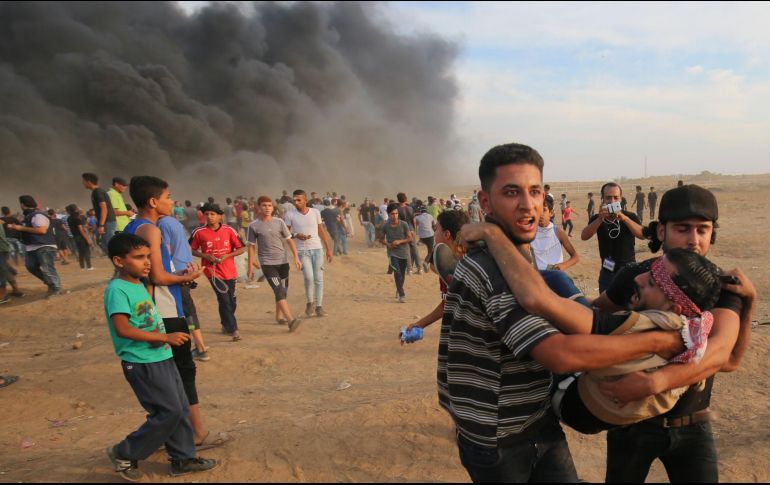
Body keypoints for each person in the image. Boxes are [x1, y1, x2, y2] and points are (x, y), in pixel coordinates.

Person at [441, 143, 684, 483]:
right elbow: (560, 355)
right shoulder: (492, 267)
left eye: (535, 191)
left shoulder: (514, 258)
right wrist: (662, 340)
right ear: (485, 202)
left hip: (534, 417)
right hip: (498, 433)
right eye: (512, 192)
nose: (527, 205)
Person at [592, 184, 755, 483]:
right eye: (682, 228)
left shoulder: (721, 286)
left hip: (692, 424)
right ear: (662, 231)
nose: (694, 240)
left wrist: (654, 381)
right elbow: (592, 314)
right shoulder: (635, 276)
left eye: (703, 230)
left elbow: (725, 358)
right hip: (631, 422)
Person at [123, 176, 228, 452]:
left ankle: (179, 433)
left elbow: (149, 273)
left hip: (154, 308)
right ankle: (195, 433)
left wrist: (177, 274)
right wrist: (185, 277)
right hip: (166, 308)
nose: (172, 202)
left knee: (171, 374)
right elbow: (156, 276)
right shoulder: (151, 230)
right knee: (184, 371)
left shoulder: (134, 226)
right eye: (168, 197)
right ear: (154, 201)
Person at [103, 233, 218, 480]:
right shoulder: (117, 289)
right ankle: (124, 452)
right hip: (142, 362)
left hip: (162, 357)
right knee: (168, 412)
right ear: (118, 261)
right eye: (139, 258)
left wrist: (186, 278)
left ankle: (183, 458)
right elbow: (122, 328)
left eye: (148, 257)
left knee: (180, 407)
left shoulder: (140, 284)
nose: (146, 262)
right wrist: (164, 338)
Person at [403, 209, 467, 335]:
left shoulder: (468, 265)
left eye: (436, 229)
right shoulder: (445, 264)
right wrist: (420, 324)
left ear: (447, 234)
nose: (433, 233)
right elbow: (447, 303)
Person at [189, 204, 246, 342]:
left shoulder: (229, 230)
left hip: (230, 270)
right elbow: (190, 249)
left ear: (220, 216)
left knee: (231, 301)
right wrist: (205, 256)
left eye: (212, 214)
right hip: (212, 271)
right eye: (207, 214)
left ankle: (225, 324)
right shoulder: (198, 232)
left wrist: (227, 256)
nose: (209, 217)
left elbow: (241, 249)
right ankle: (234, 330)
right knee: (224, 299)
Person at [158, 215, 210, 362]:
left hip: (176, 274)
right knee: (188, 310)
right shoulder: (175, 222)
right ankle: (200, 347)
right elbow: (187, 246)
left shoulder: (162, 224)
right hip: (185, 270)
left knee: (184, 312)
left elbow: (166, 251)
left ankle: (200, 348)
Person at [246, 196, 302, 332]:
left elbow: (289, 240)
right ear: (258, 207)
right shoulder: (253, 226)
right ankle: (291, 320)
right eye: (264, 205)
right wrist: (250, 266)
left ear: (273, 207)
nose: (267, 208)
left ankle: (278, 316)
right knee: (278, 290)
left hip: (283, 262)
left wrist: (296, 257)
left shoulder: (279, 222)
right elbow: (251, 246)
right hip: (267, 264)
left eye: (269, 206)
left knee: (283, 291)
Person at [580, 182, 644, 292]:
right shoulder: (597, 218)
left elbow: (642, 235)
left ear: (621, 199)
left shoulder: (630, 216)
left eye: (616, 197)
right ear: (602, 199)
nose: (612, 201)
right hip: (607, 271)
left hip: (628, 270)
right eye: (608, 197)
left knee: (629, 305)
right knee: (605, 307)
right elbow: (584, 236)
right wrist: (599, 219)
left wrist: (624, 218)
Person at [284, 190, 333, 318]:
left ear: (305, 200)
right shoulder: (290, 215)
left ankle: (319, 306)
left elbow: (321, 231)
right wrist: (296, 235)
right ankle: (309, 302)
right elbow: (286, 234)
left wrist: (328, 249)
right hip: (302, 251)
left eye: (299, 200)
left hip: (317, 249)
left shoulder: (315, 212)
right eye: (294, 200)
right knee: (309, 277)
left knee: (319, 279)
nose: (296, 202)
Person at [7, 196, 62, 296]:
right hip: (32, 246)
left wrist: (21, 228)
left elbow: (42, 230)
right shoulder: (30, 216)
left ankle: (56, 287)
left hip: (44, 245)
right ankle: (50, 283)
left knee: (47, 268)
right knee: (31, 266)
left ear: (23, 205)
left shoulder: (38, 215)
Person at [531, 198, 579, 271]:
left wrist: (562, 266)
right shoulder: (529, 233)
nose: (540, 214)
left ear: (551, 213)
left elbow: (575, 257)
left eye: (544, 210)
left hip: (555, 274)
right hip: (537, 275)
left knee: (566, 281)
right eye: (537, 210)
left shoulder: (558, 232)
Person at [380, 202, 412, 303]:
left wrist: (400, 241)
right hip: (392, 253)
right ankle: (402, 294)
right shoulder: (385, 226)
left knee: (401, 274)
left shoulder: (404, 224)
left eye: (396, 213)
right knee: (397, 272)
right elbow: (381, 239)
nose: (395, 216)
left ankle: (399, 288)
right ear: (389, 214)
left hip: (404, 253)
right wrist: (389, 245)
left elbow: (410, 238)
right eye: (392, 214)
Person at [82, 172, 117, 254]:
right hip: (106, 222)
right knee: (101, 242)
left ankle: (121, 263)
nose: (82, 183)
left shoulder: (98, 192)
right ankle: (118, 262)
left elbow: (104, 208)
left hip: (108, 222)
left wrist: (101, 225)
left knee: (108, 245)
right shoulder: (95, 192)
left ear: (89, 182)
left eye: (83, 181)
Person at [0, 218, 24, 304]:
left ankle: (2, 296)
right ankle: (15, 289)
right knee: (5, 270)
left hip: (1, 250)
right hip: (3, 249)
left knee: (2, 272)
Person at [396, 192, 421, 274]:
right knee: (414, 249)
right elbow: (413, 220)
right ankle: (419, 268)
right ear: (405, 199)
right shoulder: (410, 208)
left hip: (403, 231)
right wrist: (414, 230)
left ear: (398, 199)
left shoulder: (398, 210)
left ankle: (409, 269)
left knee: (406, 250)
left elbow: (398, 222)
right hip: (411, 230)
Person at [66, 204, 94, 270]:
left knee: (81, 252)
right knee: (86, 251)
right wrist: (87, 239)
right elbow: (81, 229)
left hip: (75, 237)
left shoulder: (69, 218)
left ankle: (82, 267)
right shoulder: (77, 218)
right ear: (75, 209)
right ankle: (89, 266)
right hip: (81, 236)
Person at [414, 205, 436, 273]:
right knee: (430, 251)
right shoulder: (430, 216)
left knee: (425, 247)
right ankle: (426, 262)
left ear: (420, 211)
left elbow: (415, 224)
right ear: (426, 211)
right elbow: (433, 225)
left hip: (422, 236)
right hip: (430, 235)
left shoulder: (417, 217)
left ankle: (420, 242)